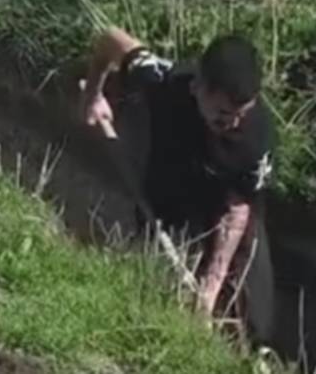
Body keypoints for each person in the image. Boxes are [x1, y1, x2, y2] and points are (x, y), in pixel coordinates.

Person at [81, 28, 275, 344]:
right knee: (157, 287)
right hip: (171, 191)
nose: (234, 123)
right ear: (199, 87)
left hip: (226, 205)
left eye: (242, 113)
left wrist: (209, 290)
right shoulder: (163, 82)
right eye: (224, 113)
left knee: (249, 322)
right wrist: (93, 94)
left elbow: (237, 208)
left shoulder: (252, 138)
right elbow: (109, 40)